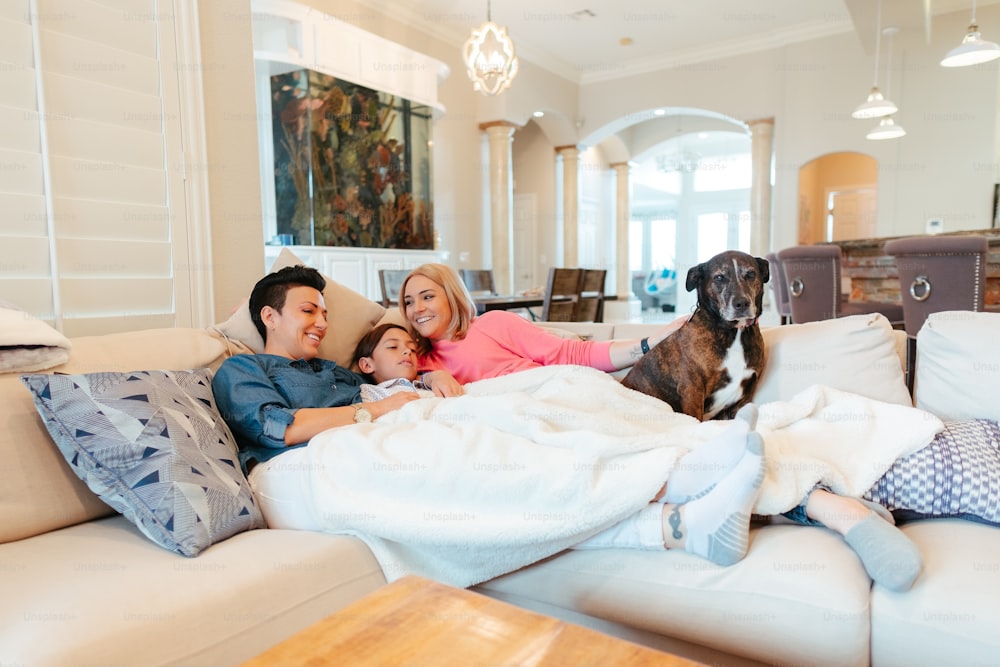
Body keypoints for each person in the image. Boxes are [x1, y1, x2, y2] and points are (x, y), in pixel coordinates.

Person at [399, 263, 924, 591]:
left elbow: (573, 353)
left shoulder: (494, 325)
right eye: (406, 302)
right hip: (530, 430)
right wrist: (428, 372)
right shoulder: (414, 367)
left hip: (573, 398)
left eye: (428, 295)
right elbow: (375, 365)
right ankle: (817, 503)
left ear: (451, 295)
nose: (417, 308)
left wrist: (653, 343)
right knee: (668, 459)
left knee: (689, 442)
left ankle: (833, 508)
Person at [212, 264, 771, 569]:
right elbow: (282, 429)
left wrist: (408, 393)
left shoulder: (344, 374)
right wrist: (383, 409)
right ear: (268, 316)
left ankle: (687, 492)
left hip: (393, 427)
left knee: (493, 457)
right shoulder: (240, 371)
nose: (321, 323)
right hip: (313, 458)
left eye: (326, 313)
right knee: (482, 463)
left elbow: (394, 383)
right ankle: (692, 483)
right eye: (309, 310)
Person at [352, 322, 435, 401]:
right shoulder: (369, 394)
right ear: (367, 365)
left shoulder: (430, 383)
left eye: (412, 349)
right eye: (393, 347)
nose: (408, 351)